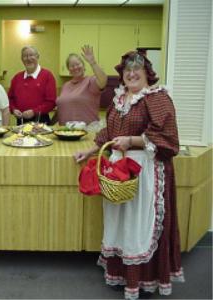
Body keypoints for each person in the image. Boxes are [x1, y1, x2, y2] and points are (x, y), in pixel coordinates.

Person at [73, 50, 184, 299]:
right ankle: (120, 274)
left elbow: (168, 139)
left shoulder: (157, 98)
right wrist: (89, 151)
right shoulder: (119, 98)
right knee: (120, 221)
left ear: (147, 74)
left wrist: (132, 140)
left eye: (137, 69)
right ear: (122, 75)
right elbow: (108, 133)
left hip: (145, 172)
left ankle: (142, 280)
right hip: (119, 171)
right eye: (127, 70)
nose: (131, 74)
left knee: (137, 223)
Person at [52, 45, 107, 125]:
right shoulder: (65, 86)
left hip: (86, 132)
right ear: (69, 70)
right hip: (65, 131)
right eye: (72, 66)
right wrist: (49, 125)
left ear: (83, 66)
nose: (75, 67)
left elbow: (103, 81)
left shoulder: (90, 81)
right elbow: (61, 108)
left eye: (78, 64)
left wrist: (93, 62)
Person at [8, 46, 57, 125]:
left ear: (37, 57)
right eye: (25, 56)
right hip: (21, 122)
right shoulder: (17, 78)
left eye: (31, 55)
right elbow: (10, 99)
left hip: (41, 122)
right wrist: (13, 110)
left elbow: (51, 102)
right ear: (22, 60)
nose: (28, 58)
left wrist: (34, 112)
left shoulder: (47, 75)